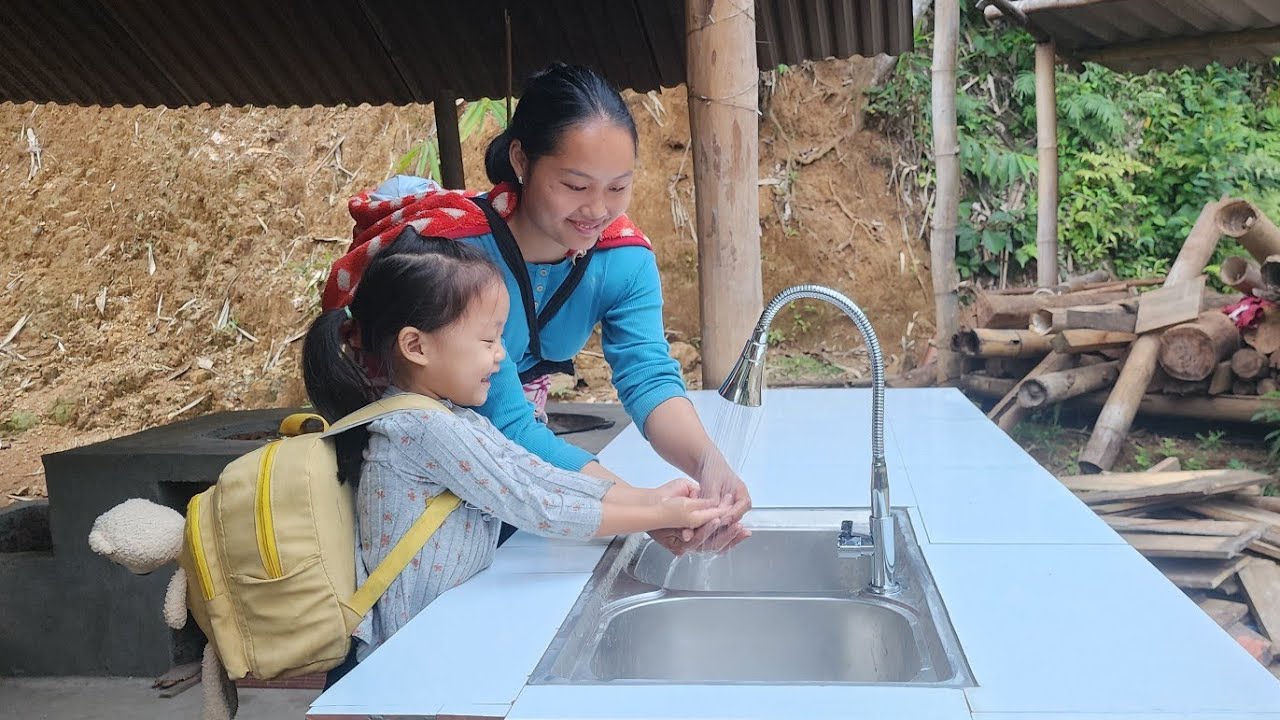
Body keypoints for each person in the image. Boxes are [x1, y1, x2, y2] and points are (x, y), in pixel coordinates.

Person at [323, 63, 751, 554]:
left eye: (618, 187)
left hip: (523, 479)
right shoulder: (461, 262)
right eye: (574, 186)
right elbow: (508, 423)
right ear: (522, 161)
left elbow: (649, 376)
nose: (597, 210)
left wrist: (708, 464)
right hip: (420, 489)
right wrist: (645, 510)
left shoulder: (623, 258)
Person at [304, 233, 728, 682]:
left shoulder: (450, 416)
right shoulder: (422, 429)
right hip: (412, 661)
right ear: (417, 346)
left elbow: (533, 474)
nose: (501, 355)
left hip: (438, 642)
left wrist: (649, 505)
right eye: (488, 340)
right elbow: (533, 503)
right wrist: (651, 513)